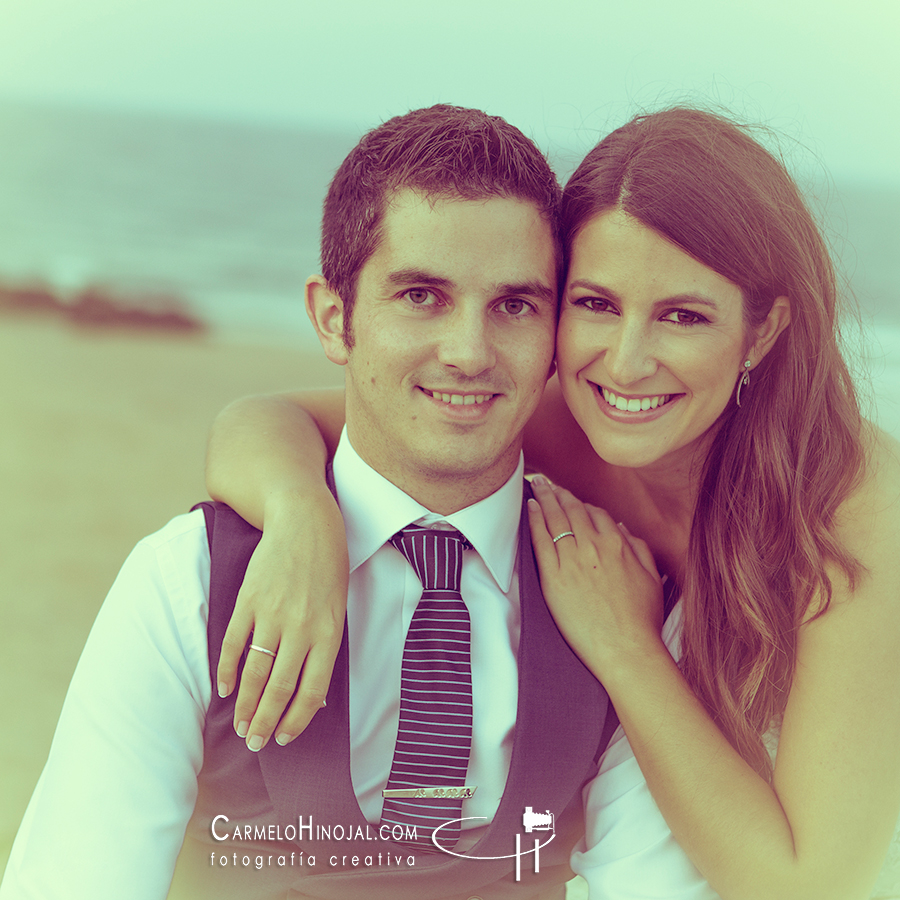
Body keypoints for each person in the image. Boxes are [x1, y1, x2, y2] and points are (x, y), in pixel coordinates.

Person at [0, 105, 716, 900]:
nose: (469, 353)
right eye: (421, 296)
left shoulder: (622, 599)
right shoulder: (187, 582)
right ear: (333, 318)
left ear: (553, 335)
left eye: (514, 305)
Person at [200, 106, 900, 899]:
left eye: (683, 316)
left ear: (763, 329)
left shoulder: (852, 513)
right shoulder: (561, 419)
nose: (626, 364)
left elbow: (810, 884)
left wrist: (622, 643)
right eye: (596, 304)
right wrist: (303, 520)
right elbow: (263, 419)